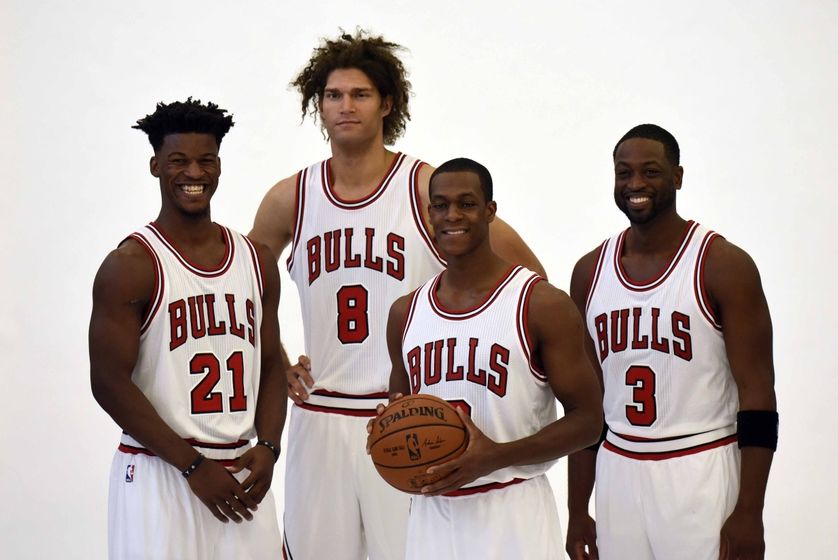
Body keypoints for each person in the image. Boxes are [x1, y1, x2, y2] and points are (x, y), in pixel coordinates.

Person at [249, 30, 545, 560]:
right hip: (320, 413)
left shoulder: (424, 185)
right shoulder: (291, 196)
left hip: (405, 416)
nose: (345, 107)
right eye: (334, 96)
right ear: (318, 105)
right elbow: (245, 286)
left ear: (387, 103)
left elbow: (528, 277)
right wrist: (273, 359)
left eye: (360, 94)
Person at [566, 124, 778, 560]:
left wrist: (750, 512)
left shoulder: (722, 265)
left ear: (678, 176)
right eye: (624, 173)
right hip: (619, 468)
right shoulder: (589, 271)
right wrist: (576, 509)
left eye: (651, 171)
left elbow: (758, 397)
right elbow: (588, 407)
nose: (635, 184)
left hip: (699, 466)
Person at [373, 157, 602, 559]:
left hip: (512, 509)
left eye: (467, 203)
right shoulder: (405, 313)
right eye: (441, 205)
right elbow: (400, 406)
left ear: (490, 211)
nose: (452, 216)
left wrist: (496, 456)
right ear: (429, 215)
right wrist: (387, 430)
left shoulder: (539, 303)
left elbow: (589, 421)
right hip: (432, 513)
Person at [89, 98, 288, 560]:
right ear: (156, 165)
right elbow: (108, 384)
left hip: (241, 469)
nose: (193, 173)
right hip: (161, 470)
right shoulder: (131, 265)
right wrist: (192, 465)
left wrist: (271, 447)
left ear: (219, 166)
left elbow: (272, 360)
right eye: (178, 161)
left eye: (205, 160)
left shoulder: (256, 260)